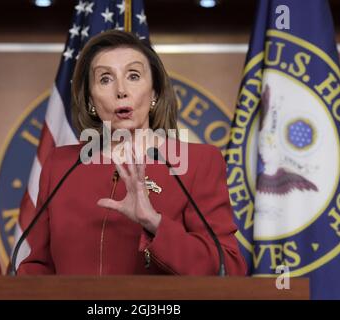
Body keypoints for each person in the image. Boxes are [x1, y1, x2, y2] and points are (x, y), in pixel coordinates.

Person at [17, 30, 247, 276]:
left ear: (155, 94)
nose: (121, 90)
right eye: (105, 79)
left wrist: (155, 224)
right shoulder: (60, 165)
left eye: (134, 76)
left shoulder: (198, 163)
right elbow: (37, 267)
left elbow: (228, 268)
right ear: (91, 100)